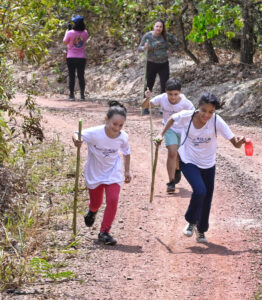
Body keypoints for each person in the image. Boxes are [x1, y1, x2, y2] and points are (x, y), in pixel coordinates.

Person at [156, 93, 245, 243]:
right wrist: (160, 134)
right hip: (188, 160)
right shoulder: (187, 116)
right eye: (204, 110)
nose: (206, 115)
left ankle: (201, 230)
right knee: (200, 190)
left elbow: (234, 143)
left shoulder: (217, 121)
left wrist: (240, 141)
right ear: (198, 107)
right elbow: (171, 119)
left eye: (211, 111)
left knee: (207, 197)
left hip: (208, 163)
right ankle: (191, 222)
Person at [72, 101, 131, 245]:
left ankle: (104, 232)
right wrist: (77, 141)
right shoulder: (95, 133)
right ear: (106, 119)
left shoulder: (123, 137)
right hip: (95, 173)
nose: (117, 128)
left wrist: (127, 171)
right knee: (96, 203)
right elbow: (76, 134)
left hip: (113, 173)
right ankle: (92, 211)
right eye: (114, 124)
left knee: (112, 200)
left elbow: (126, 153)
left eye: (120, 125)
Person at [142, 78, 194, 193]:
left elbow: (195, 115)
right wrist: (147, 97)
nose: (173, 97)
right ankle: (171, 182)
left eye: (176, 94)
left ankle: (177, 168)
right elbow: (145, 106)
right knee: (172, 152)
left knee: (179, 155)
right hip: (169, 129)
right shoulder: (162, 98)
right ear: (165, 91)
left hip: (183, 130)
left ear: (180, 92)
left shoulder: (185, 102)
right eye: (170, 94)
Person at [138, 19, 181, 115]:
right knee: (149, 85)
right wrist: (144, 47)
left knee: (165, 85)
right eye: (157, 26)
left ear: (163, 28)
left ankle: (164, 107)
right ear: (154, 27)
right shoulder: (148, 36)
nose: (159, 28)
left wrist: (171, 51)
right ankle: (145, 107)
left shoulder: (166, 35)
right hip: (151, 63)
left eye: (160, 27)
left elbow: (177, 43)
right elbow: (139, 48)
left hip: (163, 64)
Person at [63, 15, 89, 100]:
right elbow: (84, 40)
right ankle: (82, 95)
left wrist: (67, 32)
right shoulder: (85, 32)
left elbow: (65, 42)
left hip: (71, 56)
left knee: (72, 76)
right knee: (81, 76)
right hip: (82, 57)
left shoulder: (70, 32)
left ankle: (71, 95)